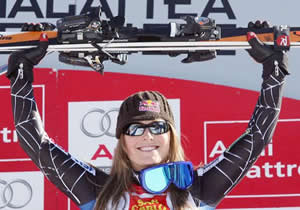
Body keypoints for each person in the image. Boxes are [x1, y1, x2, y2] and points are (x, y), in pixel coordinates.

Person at [6, 21, 289, 210]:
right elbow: (36, 145)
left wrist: (273, 69)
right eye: (133, 129)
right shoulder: (98, 192)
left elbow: (257, 138)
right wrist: (21, 72)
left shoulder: (197, 189)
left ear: (171, 136)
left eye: (157, 126)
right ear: (122, 143)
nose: (146, 136)